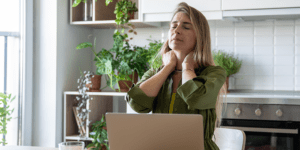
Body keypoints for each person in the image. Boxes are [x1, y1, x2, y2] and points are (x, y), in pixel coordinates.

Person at [125, 2, 227, 150]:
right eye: (173, 26)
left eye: (186, 27)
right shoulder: (156, 72)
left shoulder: (214, 73)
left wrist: (187, 67)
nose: (176, 30)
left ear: (200, 36)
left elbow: (195, 97)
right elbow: (136, 103)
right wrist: (167, 68)